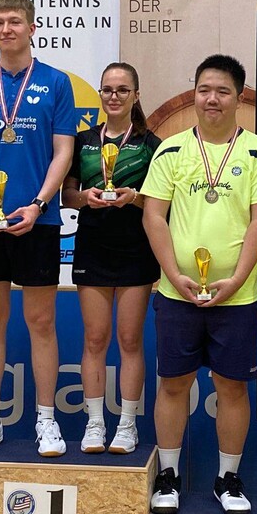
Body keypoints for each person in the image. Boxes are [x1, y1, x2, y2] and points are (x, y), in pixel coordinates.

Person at [141, 54, 257, 514]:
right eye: (204, 90)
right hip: (175, 293)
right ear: (194, 94)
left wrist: (238, 278)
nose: (212, 99)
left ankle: (228, 479)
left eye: (222, 91)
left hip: (236, 297)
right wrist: (172, 274)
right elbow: (153, 217)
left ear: (239, 98)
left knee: (232, 388)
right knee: (173, 384)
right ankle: (168, 475)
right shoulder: (170, 150)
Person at [0, 0, 78, 457]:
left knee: (41, 321)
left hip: (37, 221)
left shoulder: (56, 83)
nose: (6, 29)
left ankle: (47, 420)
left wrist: (40, 204)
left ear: (31, 28)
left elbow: (64, 151)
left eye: (14, 21)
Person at [62, 62, 160, 454]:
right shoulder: (82, 140)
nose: (114, 96)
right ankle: (95, 423)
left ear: (136, 95)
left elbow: (160, 202)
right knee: (95, 338)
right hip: (93, 246)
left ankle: (127, 425)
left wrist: (134, 198)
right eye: (107, 89)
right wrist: (85, 198)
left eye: (122, 90)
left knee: (130, 339)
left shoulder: (152, 144)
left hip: (136, 248)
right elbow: (67, 195)